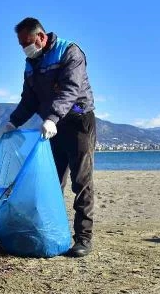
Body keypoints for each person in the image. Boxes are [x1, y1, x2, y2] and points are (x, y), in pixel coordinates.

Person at [5, 17, 96, 258]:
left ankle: (83, 238)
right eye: (21, 44)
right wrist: (13, 121)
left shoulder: (69, 52)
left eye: (27, 42)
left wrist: (52, 117)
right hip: (52, 126)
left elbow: (70, 89)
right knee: (52, 181)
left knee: (81, 180)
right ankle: (51, 232)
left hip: (77, 120)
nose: (25, 48)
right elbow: (30, 99)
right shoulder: (31, 64)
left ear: (41, 37)